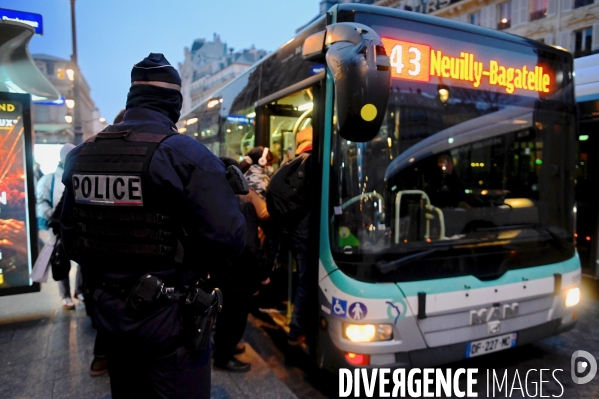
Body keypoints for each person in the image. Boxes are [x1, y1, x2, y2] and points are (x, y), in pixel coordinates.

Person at [59, 53, 245, 399]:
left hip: (110, 315)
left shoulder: (82, 156)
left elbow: (70, 239)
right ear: (174, 103)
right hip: (171, 319)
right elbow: (230, 237)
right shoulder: (186, 156)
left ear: (133, 99)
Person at [212, 157, 271, 372]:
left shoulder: (213, 202)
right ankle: (223, 356)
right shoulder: (242, 205)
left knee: (224, 314)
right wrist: (263, 272)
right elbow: (250, 246)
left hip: (219, 270)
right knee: (235, 317)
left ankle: (224, 348)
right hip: (238, 274)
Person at [36, 143, 82, 310]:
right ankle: (65, 295)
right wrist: (54, 218)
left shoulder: (77, 174)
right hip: (58, 227)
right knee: (60, 259)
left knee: (81, 260)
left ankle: (79, 290)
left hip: (76, 225)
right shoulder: (48, 179)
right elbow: (40, 203)